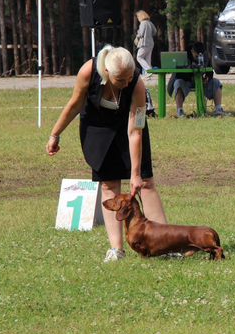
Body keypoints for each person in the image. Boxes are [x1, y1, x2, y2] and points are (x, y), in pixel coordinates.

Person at [46, 45, 167, 262]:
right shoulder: (88, 71)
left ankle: (166, 245)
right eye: (121, 80)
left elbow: (135, 130)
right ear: (107, 72)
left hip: (129, 129)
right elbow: (74, 104)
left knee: (146, 183)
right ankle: (116, 250)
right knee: (108, 185)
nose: (127, 83)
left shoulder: (137, 85)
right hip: (97, 128)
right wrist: (55, 134)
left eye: (130, 77)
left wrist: (136, 173)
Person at [168, 43, 225, 118]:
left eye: (200, 55)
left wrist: (207, 78)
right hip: (187, 81)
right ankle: (180, 110)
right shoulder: (184, 56)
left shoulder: (206, 55)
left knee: (216, 82)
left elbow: (210, 71)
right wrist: (190, 69)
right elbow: (179, 74)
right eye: (196, 55)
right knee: (178, 83)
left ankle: (218, 109)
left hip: (201, 81)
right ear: (192, 51)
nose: (198, 57)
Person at [134, 10, 157, 74]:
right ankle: (149, 74)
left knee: (139, 57)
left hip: (144, 43)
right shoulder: (150, 22)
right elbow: (155, 32)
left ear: (141, 16)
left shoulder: (143, 23)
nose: (138, 18)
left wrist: (137, 37)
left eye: (138, 16)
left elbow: (141, 33)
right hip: (151, 43)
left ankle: (149, 70)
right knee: (148, 59)